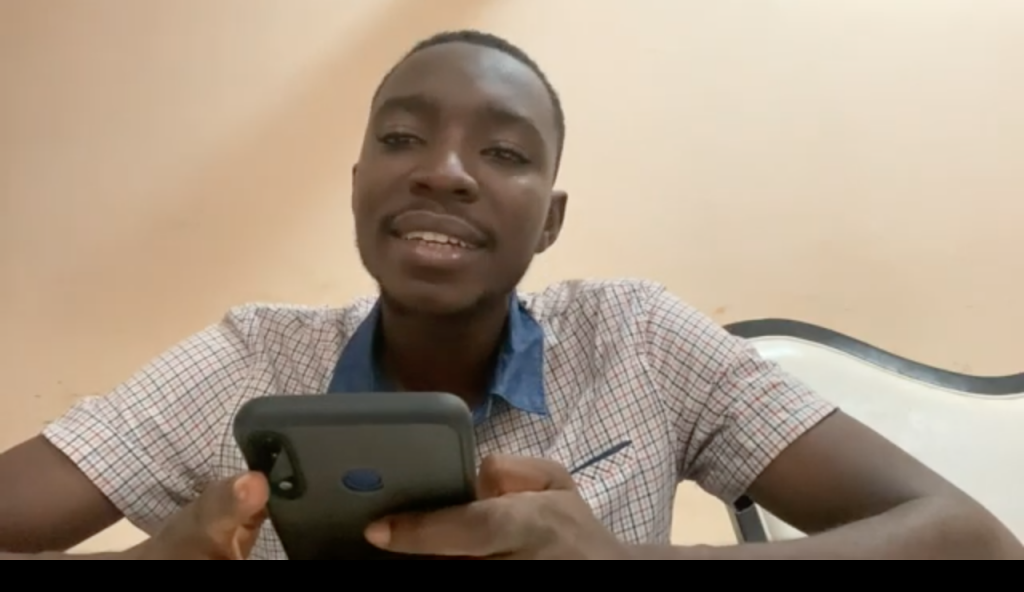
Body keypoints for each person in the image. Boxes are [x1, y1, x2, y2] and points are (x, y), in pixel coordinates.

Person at [0, 30, 1019, 561]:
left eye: (502, 152)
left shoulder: (637, 337)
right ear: (358, 188)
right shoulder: (251, 357)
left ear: (551, 220)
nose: (443, 171)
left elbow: (972, 540)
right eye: (402, 138)